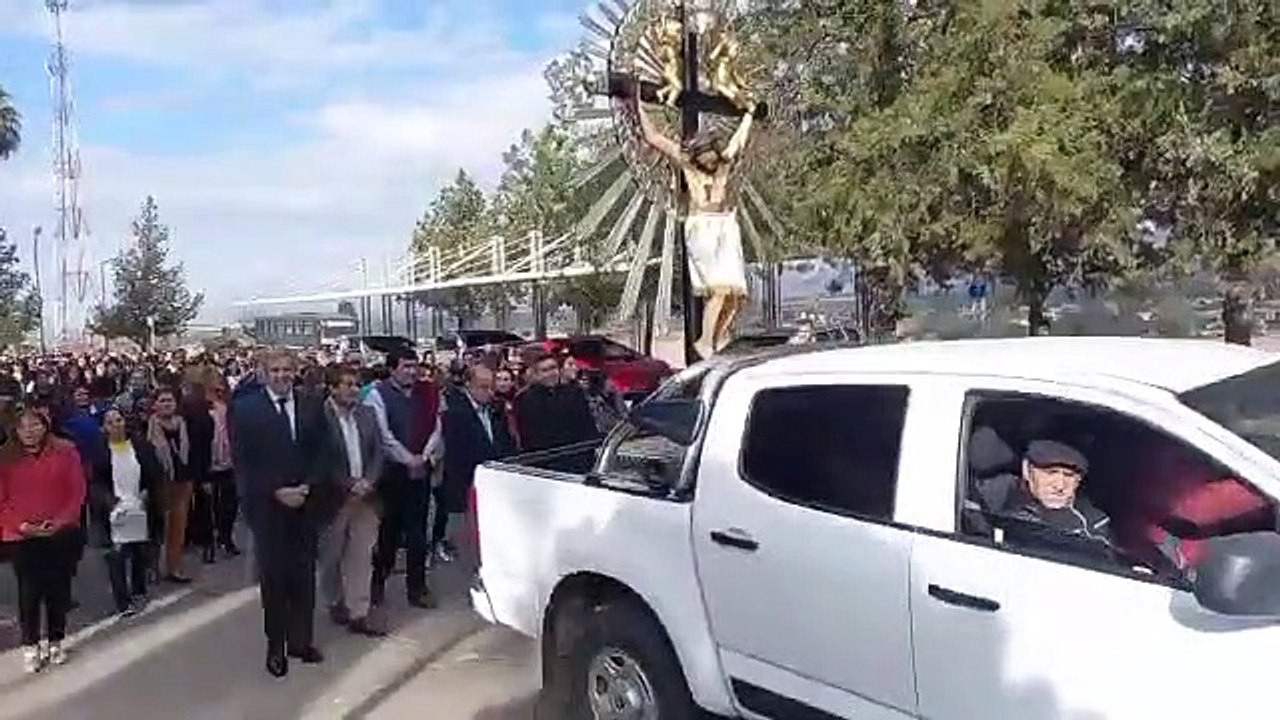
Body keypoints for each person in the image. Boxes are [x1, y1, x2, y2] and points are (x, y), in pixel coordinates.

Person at [635, 83, 757, 358]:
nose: (710, 163)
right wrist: (637, 105)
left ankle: (721, 334)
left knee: (736, 295)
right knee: (721, 289)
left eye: (712, 158)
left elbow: (739, 140)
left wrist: (749, 115)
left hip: (725, 226)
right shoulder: (688, 165)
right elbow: (654, 138)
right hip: (702, 228)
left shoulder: (723, 164)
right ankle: (704, 340)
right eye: (705, 158)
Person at [232, 348, 328, 678]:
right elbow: (244, 463)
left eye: (288, 369)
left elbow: (323, 453)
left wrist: (306, 488)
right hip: (268, 507)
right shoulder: (246, 409)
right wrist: (277, 490)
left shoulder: (312, 405)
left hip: (306, 504)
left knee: (303, 576)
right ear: (263, 373)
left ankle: (301, 640)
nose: (282, 375)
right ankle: (276, 646)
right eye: (275, 370)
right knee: (274, 580)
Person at [0, 409, 86, 673]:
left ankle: (56, 640)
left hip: (60, 532)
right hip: (21, 535)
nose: (29, 430)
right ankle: (30, 645)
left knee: (58, 589)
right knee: (29, 591)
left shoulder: (66, 452)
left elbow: (77, 491)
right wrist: (23, 525)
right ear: (14, 430)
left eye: (35, 424)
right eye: (23, 426)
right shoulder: (5, 458)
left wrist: (59, 522)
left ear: (45, 425)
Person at [364, 348, 441, 608]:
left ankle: (417, 588)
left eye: (414, 366)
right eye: (405, 366)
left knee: (418, 531)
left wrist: (424, 456)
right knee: (389, 532)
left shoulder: (427, 393)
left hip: (422, 469)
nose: (411, 371)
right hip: (392, 473)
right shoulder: (377, 395)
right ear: (392, 368)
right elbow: (383, 436)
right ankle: (377, 584)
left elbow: (436, 426)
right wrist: (408, 459)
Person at [317, 366, 386, 636]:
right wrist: (348, 483)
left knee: (362, 554)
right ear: (332, 388)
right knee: (332, 555)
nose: (353, 389)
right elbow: (321, 459)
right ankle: (335, 600)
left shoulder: (367, 414)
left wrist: (369, 480)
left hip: (366, 496)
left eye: (357, 384)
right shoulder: (318, 417)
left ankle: (359, 612)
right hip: (334, 498)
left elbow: (378, 452)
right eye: (347, 384)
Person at [91, 408, 161, 617]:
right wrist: (110, 503)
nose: (116, 425)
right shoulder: (100, 452)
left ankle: (139, 589)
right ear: (104, 427)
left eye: (119, 420)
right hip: (115, 510)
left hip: (140, 505)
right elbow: (96, 483)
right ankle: (123, 601)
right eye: (110, 422)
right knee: (117, 556)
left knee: (139, 551)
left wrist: (148, 494)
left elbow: (154, 472)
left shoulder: (140, 446)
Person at [439, 365, 516, 559]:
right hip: (468, 479)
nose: (489, 392)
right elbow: (456, 452)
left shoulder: (496, 407)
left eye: (491, 387)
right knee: (471, 536)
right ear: (468, 386)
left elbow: (504, 439)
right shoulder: (455, 411)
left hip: (495, 475)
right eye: (483, 387)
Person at [977, 439, 1113, 546]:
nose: (1059, 486)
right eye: (1050, 473)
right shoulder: (997, 493)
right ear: (1027, 471)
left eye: (1068, 475)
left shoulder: (1094, 522)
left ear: (1078, 481)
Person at [148, 387, 195, 584]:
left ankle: (174, 567)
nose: (167, 404)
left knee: (178, 526)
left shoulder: (182, 424)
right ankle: (154, 568)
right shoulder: (149, 426)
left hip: (182, 480)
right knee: (158, 528)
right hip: (161, 482)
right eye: (163, 401)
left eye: (170, 401)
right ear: (155, 404)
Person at [513, 349, 599, 452]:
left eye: (553, 368)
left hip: (578, 454)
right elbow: (528, 436)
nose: (551, 373)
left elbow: (587, 425)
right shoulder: (524, 399)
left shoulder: (574, 393)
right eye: (545, 370)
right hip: (545, 457)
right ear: (535, 374)